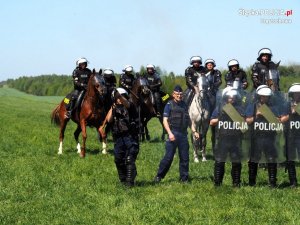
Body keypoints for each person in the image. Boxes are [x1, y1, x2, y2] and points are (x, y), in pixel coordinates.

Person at [245, 85, 288, 187]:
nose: (265, 98)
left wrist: (273, 118)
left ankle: (272, 183)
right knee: (253, 160)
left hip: (270, 137)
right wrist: (256, 115)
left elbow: (280, 120)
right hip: (256, 138)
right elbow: (247, 121)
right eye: (263, 96)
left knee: (271, 159)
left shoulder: (274, 107)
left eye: (267, 96)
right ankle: (252, 182)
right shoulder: (253, 106)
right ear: (259, 96)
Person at [100, 87, 139, 187]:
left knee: (129, 159)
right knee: (118, 159)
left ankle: (130, 183)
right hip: (118, 138)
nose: (118, 99)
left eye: (120, 97)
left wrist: (119, 96)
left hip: (131, 138)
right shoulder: (114, 107)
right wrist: (113, 106)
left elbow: (126, 103)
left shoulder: (130, 106)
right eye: (116, 98)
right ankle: (123, 180)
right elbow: (109, 120)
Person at [210, 87, 247, 187]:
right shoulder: (219, 108)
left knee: (236, 162)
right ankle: (217, 183)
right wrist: (221, 118)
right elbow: (211, 122)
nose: (232, 99)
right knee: (219, 162)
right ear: (226, 97)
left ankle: (236, 183)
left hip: (235, 140)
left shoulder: (240, 108)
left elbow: (244, 125)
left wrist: (235, 117)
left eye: (234, 97)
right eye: (230, 97)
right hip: (223, 139)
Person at [154, 85, 191, 183]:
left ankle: (184, 178)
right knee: (168, 157)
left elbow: (189, 119)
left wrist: (194, 131)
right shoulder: (169, 104)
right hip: (173, 133)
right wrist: (170, 133)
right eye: (177, 94)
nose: (179, 95)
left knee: (185, 158)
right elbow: (165, 120)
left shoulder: (185, 105)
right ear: (173, 94)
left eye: (180, 94)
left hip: (183, 135)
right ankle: (159, 176)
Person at [204, 59, 222, 151]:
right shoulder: (203, 72)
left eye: (211, 64)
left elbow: (219, 81)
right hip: (203, 91)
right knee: (188, 94)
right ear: (206, 65)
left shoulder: (217, 72)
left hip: (214, 91)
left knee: (220, 98)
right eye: (208, 64)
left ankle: (216, 112)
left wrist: (213, 86)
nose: (210, 65)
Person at [284, 83, 300, 187]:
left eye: (299, 94)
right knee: (290, 159)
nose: (297, 95)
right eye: (295, 94)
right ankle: (293, 181)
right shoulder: (286, 105)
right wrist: (291, 113)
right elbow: (282, 119)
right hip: (290, 135)